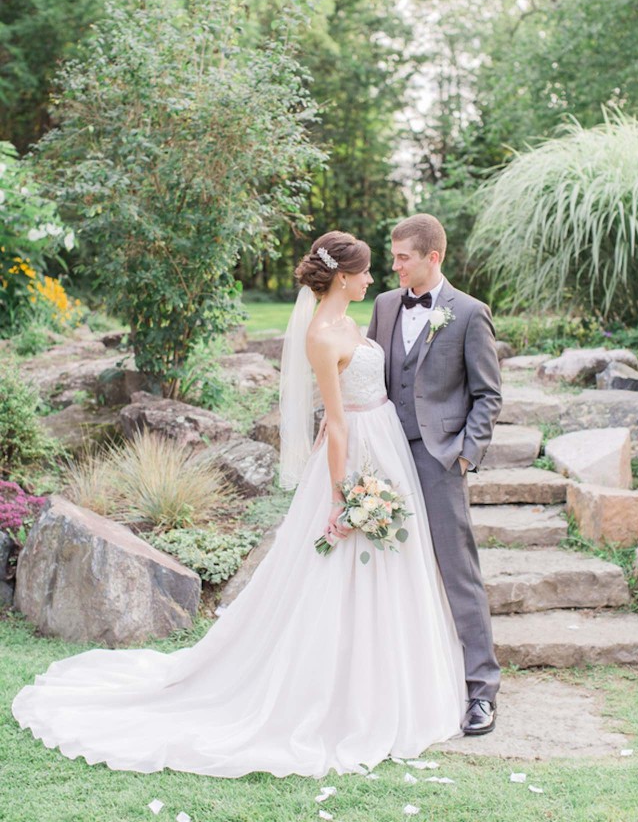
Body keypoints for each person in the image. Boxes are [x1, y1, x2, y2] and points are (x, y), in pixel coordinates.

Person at [12, 230, 465, 778]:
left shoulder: (350, 322)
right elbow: (336, 422)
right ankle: (343, 697)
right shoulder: (322, 335)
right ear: (344, 277)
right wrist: (344, 496)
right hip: (358, 457)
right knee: (338, 575)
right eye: (367, 270)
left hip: (385, 444)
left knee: (393, 569)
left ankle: (393, 684)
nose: (374, 278)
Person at [367, 213, 502, 736]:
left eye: (403, 257)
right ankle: (395, 682)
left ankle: (480, 692)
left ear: (433, 257)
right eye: (394, 255)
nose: (394, 265)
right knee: (386, 567)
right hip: (383, 456)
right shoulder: (382, 306)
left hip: (439, 459)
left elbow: (488, 394)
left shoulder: (468, 313)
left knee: (457, 571)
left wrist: (466, 454)